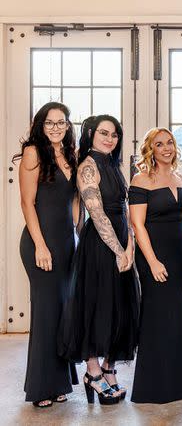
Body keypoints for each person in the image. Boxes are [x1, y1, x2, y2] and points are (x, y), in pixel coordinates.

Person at [58, 115, 139, 405]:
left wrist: (130, 244)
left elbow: (125, 207)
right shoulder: (88, 166)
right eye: (104, 133)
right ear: (90, 134)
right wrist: (118, 250)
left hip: (121, 242)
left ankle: (108, 367)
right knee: (97, 307)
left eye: (115, 134)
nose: (110, 138)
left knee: (118, 307)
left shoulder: (114, 165)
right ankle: (92, 372)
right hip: (100, 247)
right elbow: (97, 214)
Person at [128, 128, 182, 403]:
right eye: (159, 144)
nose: (166, 148)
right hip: (154, 255)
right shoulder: (141, 178)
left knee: (179, 317)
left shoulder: (180, 176)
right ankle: (155, 387)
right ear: (151, 149)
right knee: (157, 317)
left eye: (169, 142)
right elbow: (137, 224)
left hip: (180, 255)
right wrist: (153, 261)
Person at [16, 102, 79, 408]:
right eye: (49, 123)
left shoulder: (71, 155)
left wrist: (79, 231)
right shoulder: (33, 153)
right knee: (45, 314)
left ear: (68, 126)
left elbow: (74, 200)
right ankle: (42, 387)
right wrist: (41, 246)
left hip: (67, 244)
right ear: (41, 126)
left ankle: (59, 382)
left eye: (61, 122)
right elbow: (27, 204)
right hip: (41, 243)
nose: (56, 128)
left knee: (62, 313)